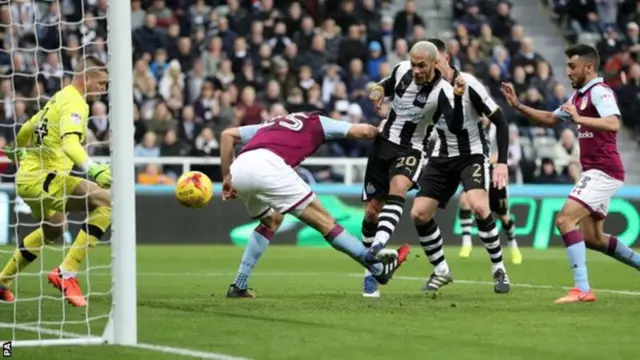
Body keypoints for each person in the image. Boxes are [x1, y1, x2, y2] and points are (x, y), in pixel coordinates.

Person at [501, 44, 640, 303]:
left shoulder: (599, 92)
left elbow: (613, 123)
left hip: (603, 169)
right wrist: (519, 106)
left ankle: (582, 288)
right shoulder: (578, 98)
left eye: (572, 67)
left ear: (588, 67)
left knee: (565, 220)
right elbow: (551, 119)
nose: (568, 72)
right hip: (597, 170)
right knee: (593, 238)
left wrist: (580, 119)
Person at [220, 111, 411, 298]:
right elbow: (364, 132)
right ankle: (378, 268)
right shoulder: (316, 121)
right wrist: (383, 129)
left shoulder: (270, 124)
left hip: (239, 169)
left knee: (271, 221)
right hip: (269, 166)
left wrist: (226, 177)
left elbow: (227, 135)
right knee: (325, 222)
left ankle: (239, 285)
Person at [0, 56, 112, 307]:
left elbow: (25, 130)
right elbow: (70, 144)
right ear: (86, 78)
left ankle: (2, 281)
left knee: (55, 229)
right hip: (46, 178)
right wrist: (92, 169)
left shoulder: (56, 99)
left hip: (28, 180)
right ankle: (67, 272)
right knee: (107, 201)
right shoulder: (75, 102)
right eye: (102, 83)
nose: (104, 90)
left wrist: (18, 152)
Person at [361, 41, 464, 298]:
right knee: (372, 211)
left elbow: (455, 123)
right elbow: (383, 85)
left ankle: (377, 248)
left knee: (399, 187)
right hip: (383, 145)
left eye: (422, 65)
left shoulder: (444, 92)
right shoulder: (401, 70)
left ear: (434, 63)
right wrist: (376, 92)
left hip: (412, 150)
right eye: (413, 63)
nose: (416, 70)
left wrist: (460, 99)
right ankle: (370, 270)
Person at [411, 38, 511, 294]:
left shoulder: (470, 84)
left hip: (472, 155)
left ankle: (499, 269)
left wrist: (502, 163)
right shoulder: (424, 89)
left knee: (479, 206)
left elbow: (500, 120)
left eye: (436, 60)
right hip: (442, 155)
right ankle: (441, 270)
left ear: (444, 58)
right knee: (419, 214)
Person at [458, 118, 522, 265]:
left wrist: (487, 160)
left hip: (495, 175)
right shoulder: (471, 128)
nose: (481, 117)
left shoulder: (497, 129)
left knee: (503, 216)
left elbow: (502, 153)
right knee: (464, 200)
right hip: (478, 172)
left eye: (483, 114)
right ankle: (466, 242)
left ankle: (513, 245)